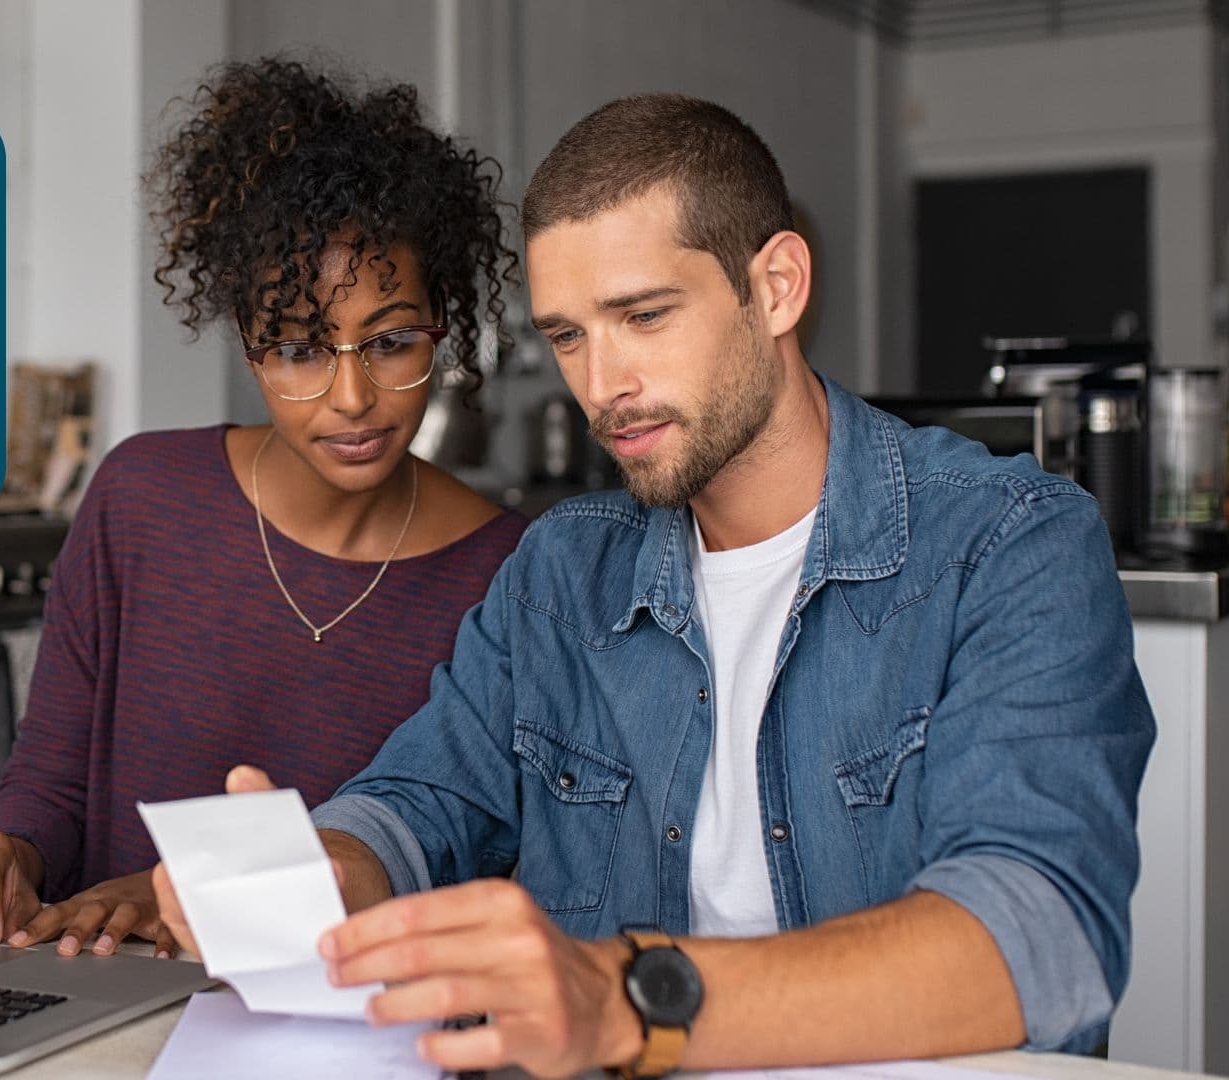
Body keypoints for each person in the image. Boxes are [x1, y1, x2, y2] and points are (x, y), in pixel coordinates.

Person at [156, 93, 1154, 1077]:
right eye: (570, 335)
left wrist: (629, 1000)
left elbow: (1042, 935)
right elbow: (421, 799)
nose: (602, 384)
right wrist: (322, 871)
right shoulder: (561, 572)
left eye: (642, 316)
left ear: (777, 287)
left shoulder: (1009, 543)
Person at [0, 58, 527, 962]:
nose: (350, 397)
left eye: (393, 341)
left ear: (443, 331)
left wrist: (187, 897)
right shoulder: (140, 498)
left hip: (342, 1032)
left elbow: (467, 861)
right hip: (102, 994)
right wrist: (8, 854)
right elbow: (52, 781)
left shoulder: (508, 573)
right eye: (297, 349)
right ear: (250, 351)